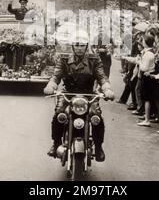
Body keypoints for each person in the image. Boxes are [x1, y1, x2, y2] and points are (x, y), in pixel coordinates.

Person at [44, 30, 115, 162]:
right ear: (72, 46)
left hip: (88, 94)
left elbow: (102, 76)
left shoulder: (94, 59)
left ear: (87, 46)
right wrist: (51, 86)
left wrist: (107, 89)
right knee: (59, 115)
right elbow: (56, 75)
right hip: (68, 94)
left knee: (96, 118)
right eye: (77, 45)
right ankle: (56, 144)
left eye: (82, 45)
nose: (79, 48)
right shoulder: (64, 58)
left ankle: (98, 148)